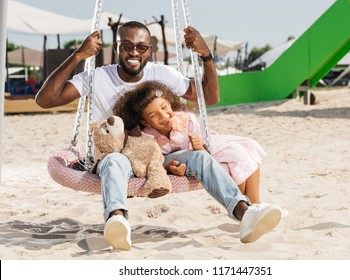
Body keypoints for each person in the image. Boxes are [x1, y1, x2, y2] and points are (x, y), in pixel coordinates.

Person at [35, 21, 281, 250]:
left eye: (140, 47)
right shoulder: (97, 76)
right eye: (127, 46)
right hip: (118, 156)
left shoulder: (163, 74)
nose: (134, 53)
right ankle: (117, 221)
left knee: (202, 159)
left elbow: (210, 98)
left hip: (158, 154)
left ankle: (245, 214)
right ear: (117, 47)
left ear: (149, 50)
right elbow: (45, 100)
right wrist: (78, 55)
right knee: (113, 161)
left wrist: (206, 56)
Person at [113, 80, 268, 205]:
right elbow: (152, 162)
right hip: (188, 158)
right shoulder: (149, 138)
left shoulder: (187, 121)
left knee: (249, 147)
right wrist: (168, 167)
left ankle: (255, 203)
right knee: (237, 154)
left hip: (206, 147)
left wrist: (199, 146)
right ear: (145, 122)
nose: (163, 116)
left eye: (164, 107)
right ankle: (247, 206)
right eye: (153, 115)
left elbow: (205, 146)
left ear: (168, 102)